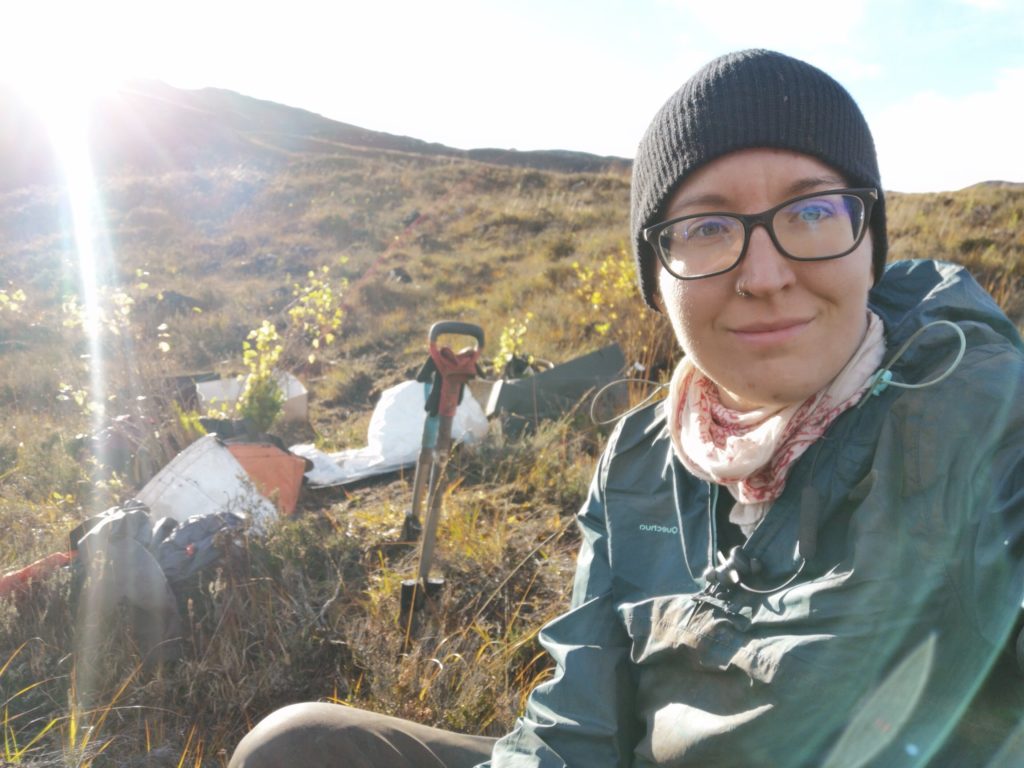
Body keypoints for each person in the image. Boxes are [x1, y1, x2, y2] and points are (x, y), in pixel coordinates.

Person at [230, 49, 1024, 767]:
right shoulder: (644, 452)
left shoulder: (984, 418)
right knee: (300, 749)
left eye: (813, 212)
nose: (765, 273)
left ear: (869, 241)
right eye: (709, 228)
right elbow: (580, 723)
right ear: (657, 277)